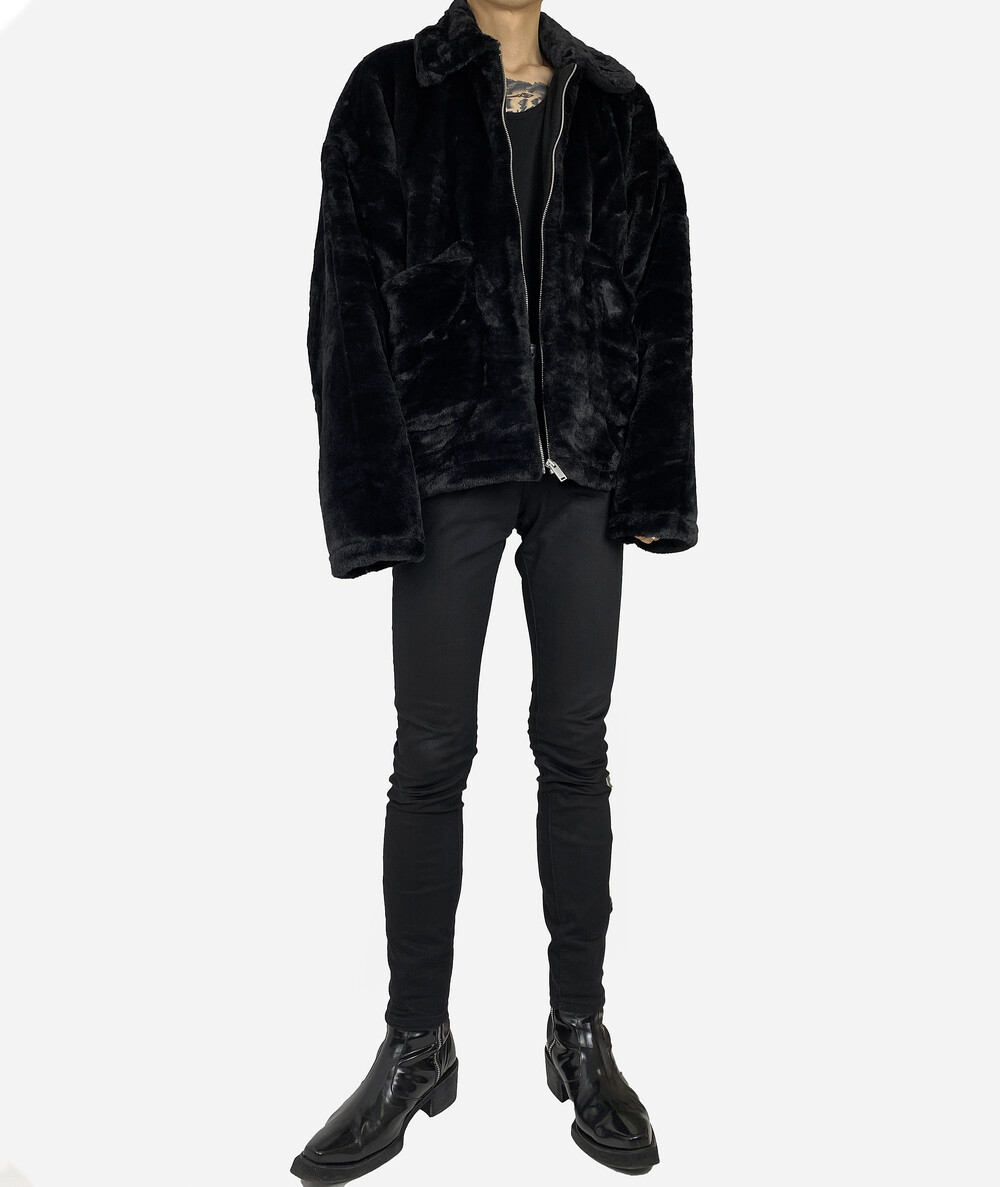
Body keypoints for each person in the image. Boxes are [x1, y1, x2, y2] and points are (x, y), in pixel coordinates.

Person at [291, 0, 697, 1180]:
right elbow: (343, 305)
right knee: (429, 751)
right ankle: (417, 1041)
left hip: (582, 467)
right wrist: (372, 494)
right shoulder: (390, 91)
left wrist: (655, 479)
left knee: (575, 744)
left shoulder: (614, 102)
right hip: (448, 463)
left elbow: (664, 302)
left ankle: (579, 1029)